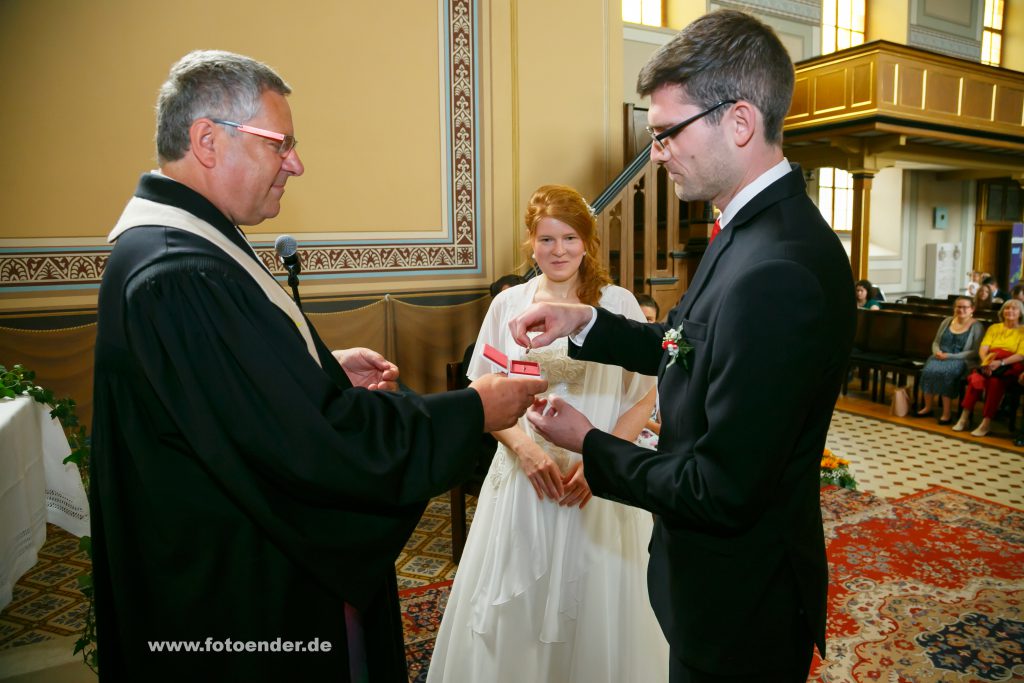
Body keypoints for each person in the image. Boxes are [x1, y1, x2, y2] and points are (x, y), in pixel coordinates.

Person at [90, 50, 545, 682]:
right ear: (207, 141)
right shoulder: (180, 270)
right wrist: (474, 410)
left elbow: (218, 393)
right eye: (282, 144)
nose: (296, 164)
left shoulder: (178, 250)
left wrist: (317, 368)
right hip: (235, 600)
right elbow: (312, 447)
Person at [508, 11, 855, 682]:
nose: (656, 151)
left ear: (739, 121)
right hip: (710, 585)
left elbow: (720, 489)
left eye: (666, 132)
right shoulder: (745, 231)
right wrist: (586, 323)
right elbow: (688, 343)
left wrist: (591, 442)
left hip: (741, 603)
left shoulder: (779, 267)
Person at [428, 185, 666, 682]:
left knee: (598, 599)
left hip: (594, 477)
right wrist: (526, 451)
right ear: (530, 244)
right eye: (546, 239)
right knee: (515, 598)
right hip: (524, 474)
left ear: (588, 242)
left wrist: (603, 456)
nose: (558, 251)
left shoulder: (617, 303)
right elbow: (485, 391)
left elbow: (644, 395)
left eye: (570, 238)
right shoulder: (507, 304)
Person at [952, 299, 1024, 436]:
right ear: (1002, 312)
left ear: (1020, 313)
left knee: (994, 382)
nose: (1010, 311)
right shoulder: (994, 328)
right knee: (976, 379)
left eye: (1014, 309)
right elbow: (983, 347)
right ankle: (964, 418)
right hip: (990, 363)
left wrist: (1001, 363)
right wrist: (986, 362)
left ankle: (986, 423)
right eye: (1007, 308)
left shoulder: (1023, 331)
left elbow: (1021, 355)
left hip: (1009, 366)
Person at [912, 297, 984, 424]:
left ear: (972, 309)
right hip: (940, 356)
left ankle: (946, 413)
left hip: (961, 360)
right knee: (928, 371)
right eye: (958, 307)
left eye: (964, 307)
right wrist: (937, 352)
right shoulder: (947, 321)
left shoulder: (976, 326)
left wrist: (950, 356)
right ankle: (928, 407)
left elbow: (974, 351)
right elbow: (936, 342)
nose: (961, 309)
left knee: (947, 373)